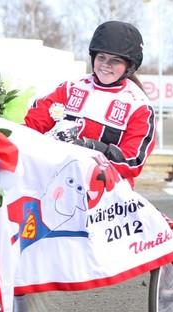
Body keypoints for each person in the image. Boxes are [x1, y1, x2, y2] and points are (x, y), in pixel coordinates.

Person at [24, 20, 155, 187]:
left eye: (115, 61)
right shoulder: (71, 88)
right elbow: (32, 125)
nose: (106, 65)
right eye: (101, 57)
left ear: (129, 66)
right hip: (60, 185)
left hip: (107, 195)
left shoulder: (139, 106)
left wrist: (93, 148)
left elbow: (132, 161)